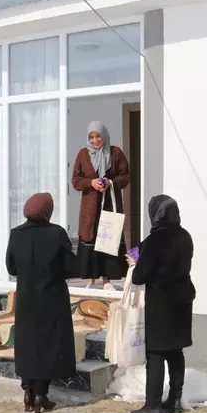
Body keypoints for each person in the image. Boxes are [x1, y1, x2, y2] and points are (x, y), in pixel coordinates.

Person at [5, 193, 77, 413]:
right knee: (48, 344)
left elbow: (11, 267)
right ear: (47, 211)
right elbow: (70, 268)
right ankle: (41, 395)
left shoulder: (16, 233)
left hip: (27, 299)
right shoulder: (57, 233)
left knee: (28, 344)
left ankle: (28, 391)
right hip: (52, 298)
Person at [127, 195, 196, 413]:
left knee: (156, 354)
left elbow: (139, 277)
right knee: (176, 351)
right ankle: (175, 400)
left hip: (161, 304)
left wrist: (135, 263)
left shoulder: (154, 240)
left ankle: (153, 405)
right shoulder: (185, 236)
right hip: (182, 300)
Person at [71, 121, 131, 289]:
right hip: (90, 208)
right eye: (91, 137)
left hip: (110, 204)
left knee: (108, 238)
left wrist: (110, 182)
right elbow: (76, 181)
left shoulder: (115, 152)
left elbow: (126, 176)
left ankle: (107, 280)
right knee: (90, 238)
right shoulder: (83, 154)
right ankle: (90, 279)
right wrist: (91, 183)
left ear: (104, 135)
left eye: (98, 136)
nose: (95, 140)